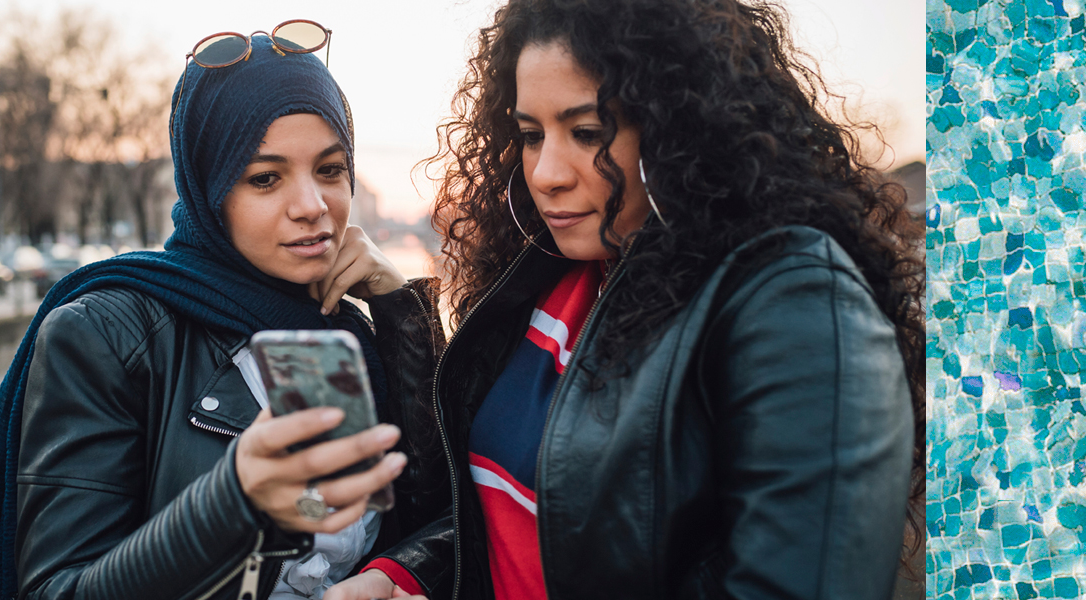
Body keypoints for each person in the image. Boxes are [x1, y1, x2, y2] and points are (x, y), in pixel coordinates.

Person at [325, 0, 925, 598]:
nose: (546, 173)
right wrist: (406, 576)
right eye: (531, 135)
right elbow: (539, 518)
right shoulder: (552, 277)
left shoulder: (793, 303)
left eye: (587, 132)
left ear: (679, 128)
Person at [0, 24, 449, 600]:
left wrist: (400, 314)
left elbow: (454, 512)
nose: (313, 207)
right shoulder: (108, 335)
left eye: (331, 170)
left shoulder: (348, 329)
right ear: (209, 189)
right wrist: (230, 504)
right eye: (266, 178)